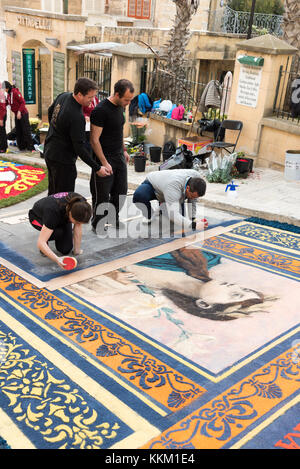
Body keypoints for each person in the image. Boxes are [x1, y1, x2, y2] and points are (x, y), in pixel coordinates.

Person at [44, 77, 110, 195]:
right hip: (63, 160)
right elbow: (79, 148)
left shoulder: (63, 96)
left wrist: (56, 130)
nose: (92, 100)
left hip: (50, 151)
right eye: (90, 97)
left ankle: (49, 213)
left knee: (53, 191)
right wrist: (97, 168)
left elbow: (50, 111)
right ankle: (58, 214)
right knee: (64, 197)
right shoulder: (76, 116)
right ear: (80, 94)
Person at [89, 79, 134, 231]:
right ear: (117, 94)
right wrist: (103, 162)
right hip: (104, 157)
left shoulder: (121, 107)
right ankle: (98, 222)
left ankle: (113, 218)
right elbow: (94, 140)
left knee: (121, 191)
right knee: (102, 194)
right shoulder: (100, 110)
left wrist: (125, 150)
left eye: (130, 100)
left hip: (118, 155)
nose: (128, 103)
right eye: (126, 99)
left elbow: (119, 131)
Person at [28, 192, 91, 269]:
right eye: (76, 222)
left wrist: (77, 250)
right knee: (57, 233)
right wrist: (57, 259)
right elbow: (41, 242)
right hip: (37, 218)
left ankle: (52, 232)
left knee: (65, 249)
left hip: (61, 215)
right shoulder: (52, 212)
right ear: (70, 213)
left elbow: (78, 226)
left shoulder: (81, 204)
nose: (78, 224)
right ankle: (45, 241)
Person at [133, 168, 207, 232]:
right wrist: (194, 225)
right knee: (139, 196)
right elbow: (173, 216)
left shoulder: (196, 178)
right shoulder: (174, 185)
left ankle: (163, 204)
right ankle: (149, 214)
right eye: (192, 196)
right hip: (153, 185)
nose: (192, 198)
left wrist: (193, 218)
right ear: (187, 188)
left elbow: (193, 200)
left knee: (181, 220)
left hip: (170, 189)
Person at [3, 81, 35, 152]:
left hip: (22, 113)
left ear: (7, 88)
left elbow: (23, 102)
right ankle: (22, 147)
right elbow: (8, 103)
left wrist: (19, 112)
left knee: (26, 130)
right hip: (16, 114)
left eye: (4, 88)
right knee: (18, 131)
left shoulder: (15, 92)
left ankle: (31, 148)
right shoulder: (8, 95)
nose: (4, 90)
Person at [0, 83, 7, 153]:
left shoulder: (1, 94)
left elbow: (2, 108)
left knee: (2, 131)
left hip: (1, 115)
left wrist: (1, 119)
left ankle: (3, 147)